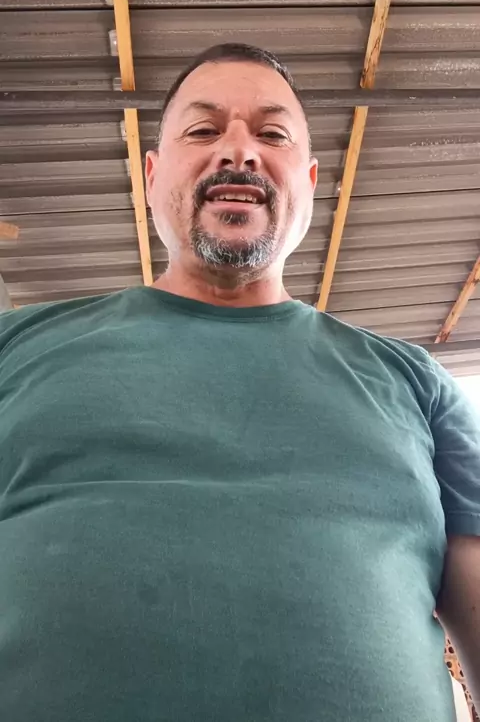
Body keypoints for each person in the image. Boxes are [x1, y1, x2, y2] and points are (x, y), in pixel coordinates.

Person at [0, 43, 479, 722]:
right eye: (203, 130)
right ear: (151, 175)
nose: (238, 151)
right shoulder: (15, 347)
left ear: (309, 181)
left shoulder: (416, 382)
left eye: (272, 135)